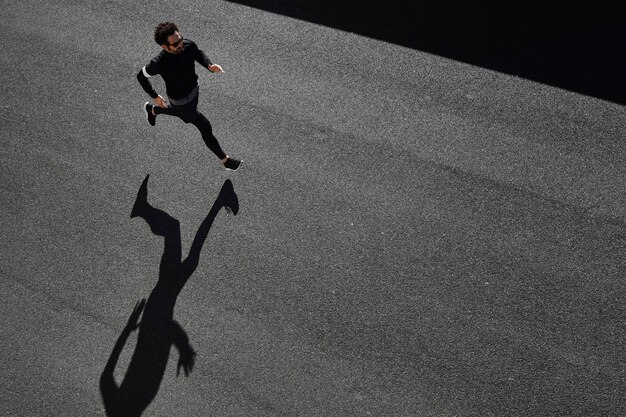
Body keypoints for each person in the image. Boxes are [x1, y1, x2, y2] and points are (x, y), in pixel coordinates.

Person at [137, 22, 242, 171]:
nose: (181, 44)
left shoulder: (188, 44)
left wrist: (209, 65)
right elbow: (141, 76)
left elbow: (197, 53)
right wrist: (154, 95)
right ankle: (226, 161)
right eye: (175, 44)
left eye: (180, 39)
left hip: (194, 90)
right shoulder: (159, 63)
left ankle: (153, 110)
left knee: (184, 116)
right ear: (164, 47)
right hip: (180, 100)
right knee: (204, 126)